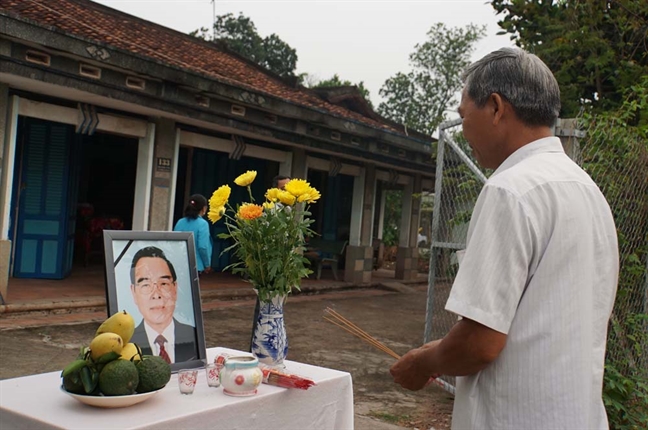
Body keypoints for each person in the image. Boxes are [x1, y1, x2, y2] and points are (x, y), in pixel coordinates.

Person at [390, 47, 619, 429]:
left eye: (465, 116)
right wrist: (443, 350)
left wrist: (423, 363)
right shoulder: (587, 191)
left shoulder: (511, 190)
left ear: (496, 107)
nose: (464, 131)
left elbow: (481, 344)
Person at [129, 246, 198, 364]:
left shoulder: (194, 336)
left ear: (175, 289)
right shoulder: (126, 343)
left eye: (164, 283)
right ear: (134, 292)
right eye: (146, 285)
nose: (156, 294)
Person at [249, 174, 291, 352]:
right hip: (268, 266)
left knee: (276, 308)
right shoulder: (270, 210)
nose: (286, 193)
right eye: (282, 190)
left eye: (288, 190)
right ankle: (259, 348)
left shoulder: (289, 210)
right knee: (265, 307)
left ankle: (272, 347)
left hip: (281, 264)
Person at [174, 194, 212, 275]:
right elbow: (203, 247)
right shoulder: (203, 224)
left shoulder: (180, 222)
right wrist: (207, 264)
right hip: (196, 265)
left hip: (179, 264)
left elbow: (174, 243)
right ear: (204, 208)